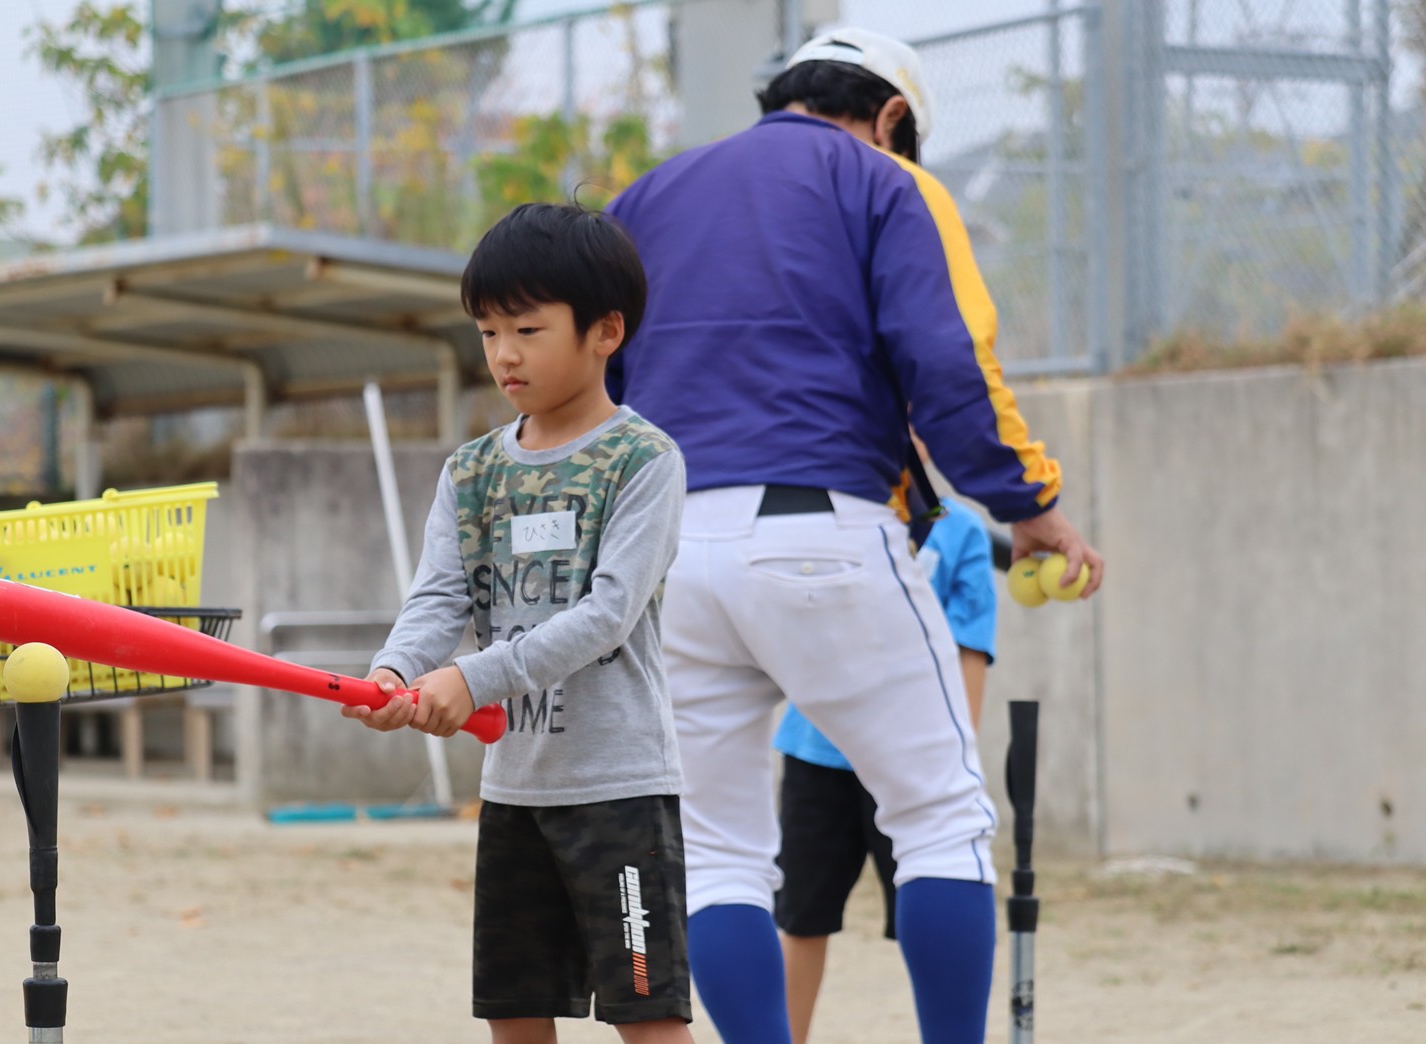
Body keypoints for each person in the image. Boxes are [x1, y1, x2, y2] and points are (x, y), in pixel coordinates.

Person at [604, 27, 1103, 1044]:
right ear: (889, 119)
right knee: (938, 818)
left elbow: (598, 372)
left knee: (722, 851)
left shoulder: (646, 197)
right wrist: (1028, 502)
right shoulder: (883, 182)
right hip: (822, 530)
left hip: (666, 551)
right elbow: (947, 359)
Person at [343, 202, 695, 1044]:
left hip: (618, 790)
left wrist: (474, 678)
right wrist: (397, 672)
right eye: (489, 330)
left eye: (528, 329)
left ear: (605, 331)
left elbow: (607, 614)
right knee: (515, 1016)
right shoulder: (472, 471)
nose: (504, 354)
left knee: (648, 1019)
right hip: (514, 792)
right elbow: (439, 599)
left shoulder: (644, 461)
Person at [775, 483, 998, 1044]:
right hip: (815, 753)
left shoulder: (962, 529)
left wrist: (956, 760)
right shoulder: (828, 518)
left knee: (931, 926)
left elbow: (970, 649)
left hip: (912, 763)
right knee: (801, 918)